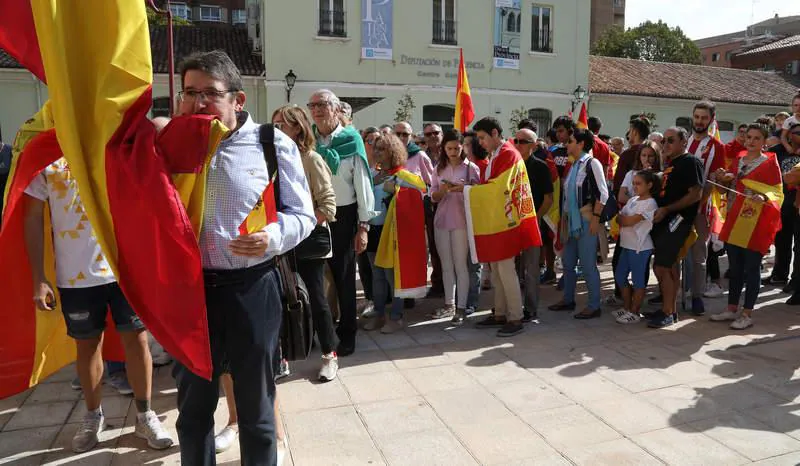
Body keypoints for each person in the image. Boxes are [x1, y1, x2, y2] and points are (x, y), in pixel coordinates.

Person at [172, 51, 315, 465]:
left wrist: (272, 236)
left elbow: (303, 214)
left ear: (238, 100)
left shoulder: (272, 143)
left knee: (256, 410)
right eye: (189, 93)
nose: (198, 103)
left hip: (253, 289)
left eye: (209, 94)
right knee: (194, 411)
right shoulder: (173, 146)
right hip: (192, 294)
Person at [24, 168, 172, 451]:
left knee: (138, 340)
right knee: (87, 347)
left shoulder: (115, 144)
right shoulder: (50, 157)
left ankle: (144, 415)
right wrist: (38, 278)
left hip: (126, 269)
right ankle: (93, 416)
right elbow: (31, 216)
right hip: (77, 276)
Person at [272, 105, 339, 381]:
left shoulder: (311, 159)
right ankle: (285, 356)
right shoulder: (271, 158)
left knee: (316, 298)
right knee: (284, 298)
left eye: (282, 125)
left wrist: (303, 227)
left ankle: (329, 355)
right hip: (281, 241)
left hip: (308, 241)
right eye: (273, 124)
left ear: (297, 127)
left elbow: (329, 205)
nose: (276, 130)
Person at [310, 89, 375, 357]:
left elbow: (362, 184)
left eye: (323, 104)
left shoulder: (351, 140)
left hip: (344, 215)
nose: (317, 110)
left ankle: (348, 334)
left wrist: (363, 227)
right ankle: (322, 332)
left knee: (345, 278)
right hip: (312, 216)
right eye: (312, 105)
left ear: (337, 109)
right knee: (315, 279)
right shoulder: (308, 140)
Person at [471, 117, 539, 337]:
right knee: (499, 270)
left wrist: (467, 192)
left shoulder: (508, 153)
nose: (480, 143)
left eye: (482, 138)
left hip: (507, 220)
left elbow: (499, 187)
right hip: (499, 219)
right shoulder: (499, 153)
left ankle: (515, 316)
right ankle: (500, 313)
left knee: (506, 270)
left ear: (494, 133)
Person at [711, 124, 783, 329]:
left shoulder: (769, 163)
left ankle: (747, 313)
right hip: (734, 220)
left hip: (754, 222)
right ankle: (731, 308)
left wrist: (764, 196)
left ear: (764, 141)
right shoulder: (738, 160)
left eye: (756, 138)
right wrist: (722, 178)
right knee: (735, 268)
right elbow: (725, 189)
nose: (750, 141)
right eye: (748, 137)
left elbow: (777, 192)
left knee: (752, 268)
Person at [362, 134, 427, 333]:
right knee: (377, 276)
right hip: (372, 230)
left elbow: (422, 193)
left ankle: (396, 317)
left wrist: (398, 190)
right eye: (376, 148)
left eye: (382, 149)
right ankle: (380, 314)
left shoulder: (405, 176)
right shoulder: (371, 175)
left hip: (393, 233)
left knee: (392, 278)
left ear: (393, 152)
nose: (377, 152)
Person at [547, 128, 608, 319]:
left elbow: (603, 194)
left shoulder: (592, 163)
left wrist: (596, 220)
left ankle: (594, 305)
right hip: (570, 220)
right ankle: (567, 300)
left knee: (588, 264)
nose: (567, 144)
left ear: (581, 144)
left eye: (571, 141)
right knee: (568, 262)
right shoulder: (574, 165)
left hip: (586, 218)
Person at [649, 127, 704, 328]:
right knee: (667, 266)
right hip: (663, 221)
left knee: (662, 266)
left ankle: (668, 312)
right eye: (664, 141)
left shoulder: (691, 161)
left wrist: (667, 209)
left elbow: (695, 194)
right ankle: (668, 309)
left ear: (684, 142)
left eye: (671, 140)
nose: (666, 145)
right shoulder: (671, 163)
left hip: (678, 221)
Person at [430, 129, 480, 323]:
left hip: (462, 222)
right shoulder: (438, 168)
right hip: (442, 221)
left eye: (456, 148)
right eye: (449, 148)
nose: (453, 152)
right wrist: (443, 191)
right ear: (444, 148)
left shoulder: (471, 168)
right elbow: (432, 196)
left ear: (463, 147)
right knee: (446, 265)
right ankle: (449, 304)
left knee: (461, 265)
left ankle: (461, 306)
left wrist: (462, 189)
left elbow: (478, 194)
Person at [684, 100, 727, 316]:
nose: (699, 121)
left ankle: (697, 296)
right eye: (696, 117)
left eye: (704, 118)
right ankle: (674, 293)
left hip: (701, 208)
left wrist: (697, 203)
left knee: (699, 255)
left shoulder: (717, 147)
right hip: (678, 207)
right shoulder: (684, 141)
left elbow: (713, 182)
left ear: (711, 120)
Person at [514, 128, 553, 321]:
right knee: (513, 268)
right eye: (516, 140)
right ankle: (512, 306)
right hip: (512, 224)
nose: (517, 144)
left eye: (522, 141)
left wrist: (536, 218)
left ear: (533, 145)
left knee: (531, 269)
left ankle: (530, 308)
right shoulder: (511, 165)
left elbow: (548, 198)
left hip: (532, 224)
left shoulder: (541, 167)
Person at [613, 170, 659, 324]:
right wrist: (623, 218)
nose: (635, 186)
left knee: (638, 280)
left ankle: (635, 311)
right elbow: (620, 217)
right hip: (626, 245)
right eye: (634, 183)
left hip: (640, 247)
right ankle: (627, 308)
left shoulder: (651, 203)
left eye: (639, 183)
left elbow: (627, 221)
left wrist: (623, 218)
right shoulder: (632, 200)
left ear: (649, 185)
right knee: (620, 276)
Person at [466, 135, 490, 309]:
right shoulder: (460, 166)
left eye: (467, 144)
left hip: (478, 219)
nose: (463, 148)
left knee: (474, 262)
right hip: (462, 219)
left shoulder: (483, 165)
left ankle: (472, 300)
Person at [422, 123, 445, 297]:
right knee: (434, 245)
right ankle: (437, 283)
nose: (431, 136)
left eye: (435, 133)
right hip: (429, 205)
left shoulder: (451, 152)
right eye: (428, 134)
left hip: (450, 203)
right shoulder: (422, 156)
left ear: (442, 134)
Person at [395, 121, 434, 187]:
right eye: (398, 134)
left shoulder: (420, 155)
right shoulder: (387, 154)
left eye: (405, 134)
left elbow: (431, 183)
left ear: (411, 136)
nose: (401, 138)